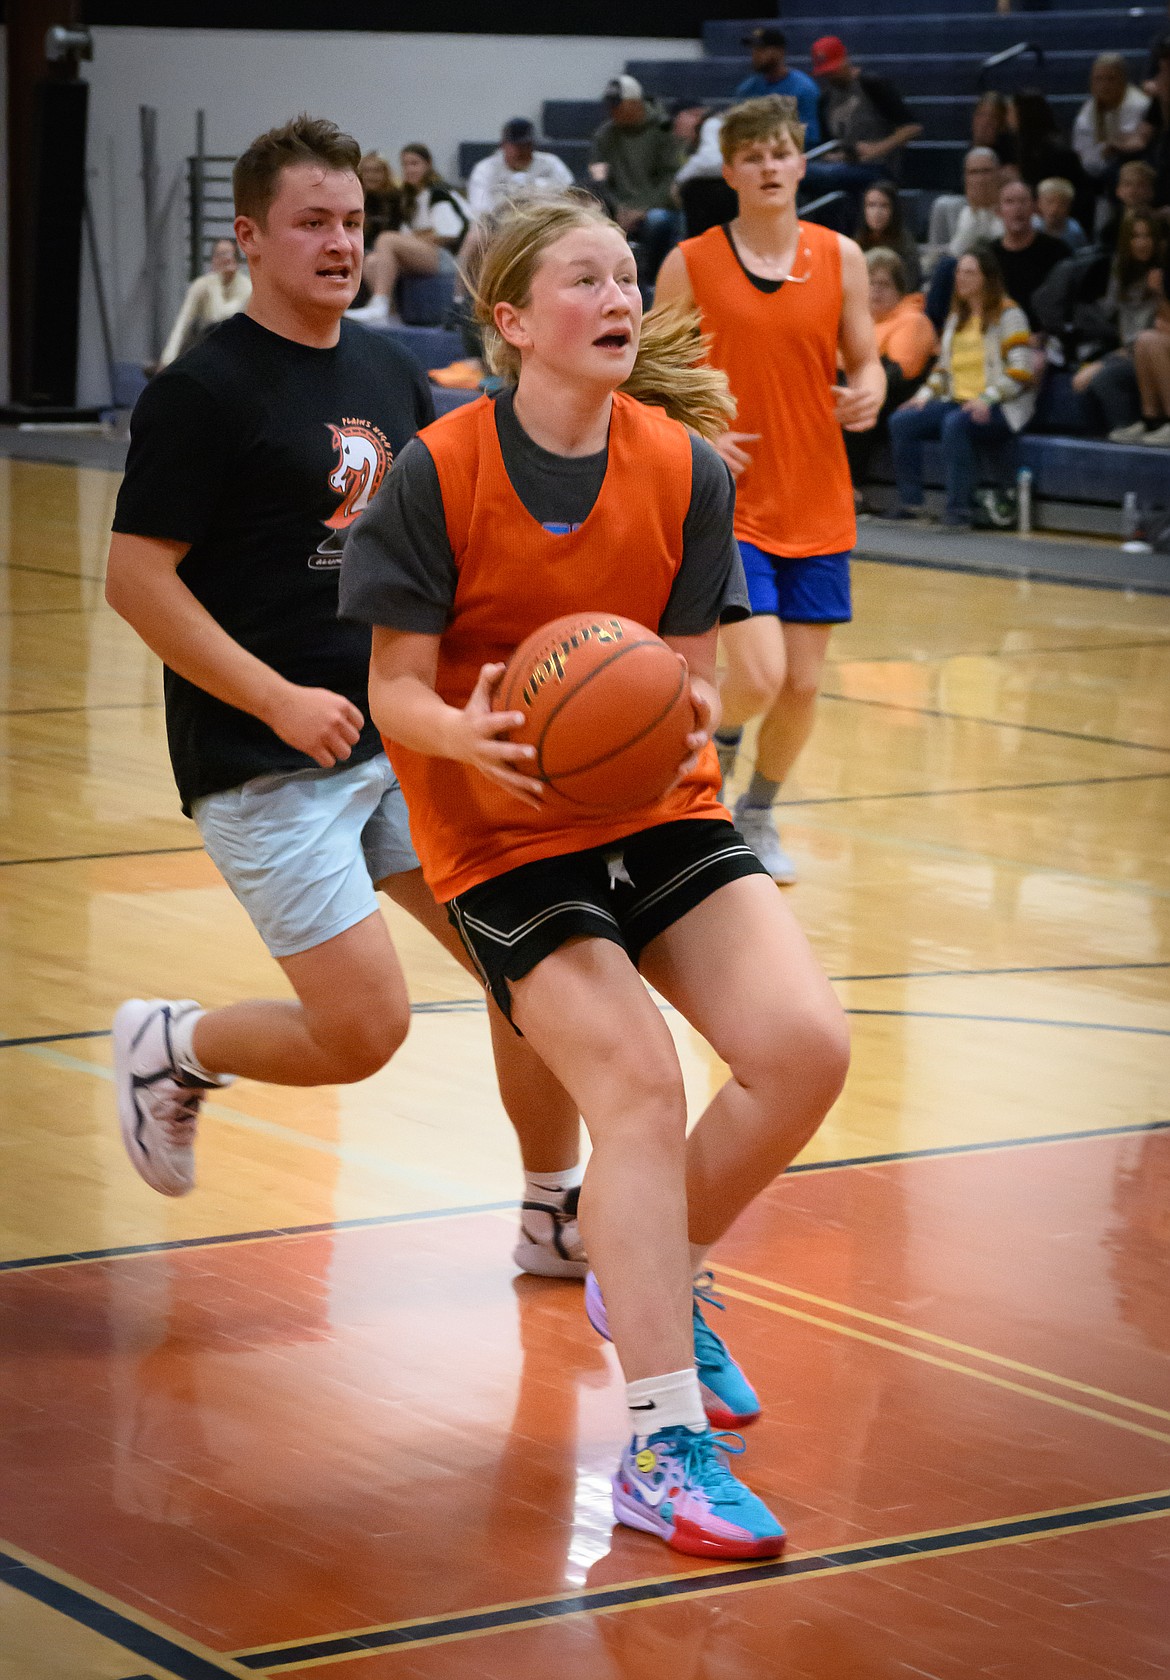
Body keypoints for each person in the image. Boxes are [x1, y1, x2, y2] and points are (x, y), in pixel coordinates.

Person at [340, 188, 850, 1562]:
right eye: (583, 280)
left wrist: (690, 705)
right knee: (630, 1079)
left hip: (655, 803)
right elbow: (393, 691)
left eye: (625, 277)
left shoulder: (686, 470)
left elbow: (689, 673)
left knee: (803, 1048)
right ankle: (657, 1445)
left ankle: (652, 1273)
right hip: (499, 828)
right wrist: (472, 736)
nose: (619, 297)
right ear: (511, 321)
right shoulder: (434, 474)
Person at [104, 115, 585, 1283]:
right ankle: (174, 1047)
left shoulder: (388, 369)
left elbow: (470, 515)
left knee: (540, 973)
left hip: (392, 738)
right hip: (263, 758)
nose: (337, 242)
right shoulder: (203, 392)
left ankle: (553, 1211)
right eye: (312, 222)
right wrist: (274, 700)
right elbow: (134, 580)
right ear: (250, 237)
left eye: (353, 223)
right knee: (365, 1032)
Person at [654, 96, 885, 885]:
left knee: (805, 684)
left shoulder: (841, 255)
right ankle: (694, 768)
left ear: (800, 163)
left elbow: (867, 358)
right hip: (731, 502)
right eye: (752, 156)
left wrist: (870, 388)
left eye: (781, 153)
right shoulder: (690, 262)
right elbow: (650, 378)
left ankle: (756, 809)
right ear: (730, 171)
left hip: (819, 496)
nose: (769, 167)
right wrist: (697, 436)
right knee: (758, 676)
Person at [887, 243, 1037, 527]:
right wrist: (922, 396)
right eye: (959, 273)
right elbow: (943, 371)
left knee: (955, 424)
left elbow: (1021, 372)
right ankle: (911, 503)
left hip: (1001, 406)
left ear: (987, 278)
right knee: (901, 421)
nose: (961, 278)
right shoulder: (957, 319)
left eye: (970, 273)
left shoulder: (1009, 315)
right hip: (958, 400)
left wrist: (986, 399)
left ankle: (960, 509)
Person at [845, 247, 939, 497]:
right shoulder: (856, 319)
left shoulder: (913, 320)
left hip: (898, 396)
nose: (875, 290)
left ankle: (852, 487)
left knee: (854, 404)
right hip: (863, 388)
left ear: (899, 288)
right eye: (871, 282)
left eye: (884, 284)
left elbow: (899, 375)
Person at [349, 145, 470, 325]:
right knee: (372, 261)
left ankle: (380, 302)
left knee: (386, 239)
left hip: (450, 259)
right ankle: (390, 315)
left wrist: (414, 239)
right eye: (405, 165)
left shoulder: (438, 192)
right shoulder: (411, 197)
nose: (409, 169)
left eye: (415, 164)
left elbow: (450, 233)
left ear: (428, 164)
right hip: (427, 254)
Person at [1076, 211, 1170, 444]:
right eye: (1136, 236)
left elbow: (1163, 326)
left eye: (1148, 236)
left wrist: (1159, 293)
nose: (1142, 242)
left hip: (1150, 348)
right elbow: (1110, 315)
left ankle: (1139, 423)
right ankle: (1135, 425)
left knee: (1104, 377)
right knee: (1079, 382)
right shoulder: (1120, 272)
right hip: (1131, 348)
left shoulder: (1162, 273)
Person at [805, 34, 922, 207]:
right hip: (847, 165)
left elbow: (913, 127)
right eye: (826, 73)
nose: (831, 77)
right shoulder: (826, 100)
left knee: (810, 173)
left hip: (880, 167)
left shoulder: (871, 84)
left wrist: (878, 148)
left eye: (834, 70)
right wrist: (838, 156)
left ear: (845, 59)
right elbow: (829, 144)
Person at [589, 75, 683, 282]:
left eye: (617, 105)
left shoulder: (663, 131)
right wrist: (618, 207)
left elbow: (671, 177)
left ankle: (652, 279)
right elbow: (600, 180)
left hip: (658, 206)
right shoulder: (605, 136)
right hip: (619, 207)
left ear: (634, 103)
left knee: (657, 221)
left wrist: (643, 209)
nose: (612, 111)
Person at [1008, 89, 1092, 234]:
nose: (1008, 117)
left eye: (1011, 112)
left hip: (1063, 218)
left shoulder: (1052, 149)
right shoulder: (1026, 145)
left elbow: (1057, 191)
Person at [158, 238, 250, 368]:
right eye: (222, 255)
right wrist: (167, 360)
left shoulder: (247, 287)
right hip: (206, 349)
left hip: (236, 353)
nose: (227, 259)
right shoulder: (202, 285)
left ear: (238, 260)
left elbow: (219, 317)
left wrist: (217, 280)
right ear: (213, 260)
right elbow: (182, 324)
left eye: (231, 254)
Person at [992, 178, 1070, 329]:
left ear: (1034, 207)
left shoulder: (1057, 251)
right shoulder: (989, 255)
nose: (1017, 208)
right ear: (998, 211)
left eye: (1023, 201)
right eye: (1009, 202)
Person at [1072, 54, 1153, 193]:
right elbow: (1081, 149)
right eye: (1099, 79)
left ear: (1123, 80)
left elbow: (1134, 144)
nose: (1104, 85)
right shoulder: (1089, 108)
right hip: (1094, 173)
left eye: (1111, 79)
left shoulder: (1140, 105)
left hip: (1131, 171)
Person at [466, 118, 574, 220]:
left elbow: (570, 200)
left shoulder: (551, 164)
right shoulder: (485, 169)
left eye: (526, 145)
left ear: (533, 145)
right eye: (515, 146)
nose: (521, 151)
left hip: (545, 225)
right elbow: (481, 211)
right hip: (498, 228)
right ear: (503, 145)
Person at [735, 27, 820, 145]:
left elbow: (811, 135)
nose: (755, 55)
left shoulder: (804, 88)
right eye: (754, 50)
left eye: (762, 49)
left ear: (780, 51)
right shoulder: (747, 89)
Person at [926, 148, 1003, 262]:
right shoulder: (946, 208)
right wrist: (973, 213)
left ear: (998, 174)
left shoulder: (1011, 207)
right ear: (965, 177)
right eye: (973, 172)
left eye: (986, 171)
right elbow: (933, 261)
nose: (980, 179)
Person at [854, 179, 921, 289]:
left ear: (894, 211)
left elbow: (908, 285)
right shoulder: (855, 243)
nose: (877, 212)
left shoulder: (905, 245)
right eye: (871, 205)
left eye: (884, 206)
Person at [1034, 177, 1088, 252]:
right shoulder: (1032, 226)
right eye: (1049, 202)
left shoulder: (1074, 230)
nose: (1055, 209)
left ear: (1069, 206)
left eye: (1062, 204)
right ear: (1039, 203)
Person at [971, 90, 1015, 170]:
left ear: (1002, 125)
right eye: (981, 115)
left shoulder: (1010, 161)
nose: (985, 123)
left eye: (992, 117)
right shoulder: (962, 156)